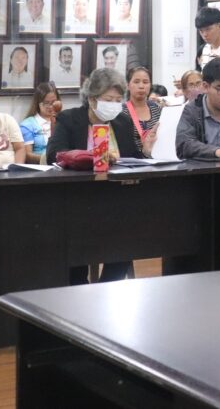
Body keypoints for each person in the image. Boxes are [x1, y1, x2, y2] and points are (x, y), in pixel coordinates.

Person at [46, 68, 152, 284]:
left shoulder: (122, 122)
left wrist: (146, 152)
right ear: (92, 99)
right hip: (78, 198)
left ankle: (107, 287)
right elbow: (53, 155)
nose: (114, 105)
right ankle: (79, 288)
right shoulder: (69, 119)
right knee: (76, 240)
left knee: (129, 235)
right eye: (108, 100)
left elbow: (133, 160)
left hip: (116, 198)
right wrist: (92, 157)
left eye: (118, 100)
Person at [20, 82, 60, 163]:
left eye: (54, 102)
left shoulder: (64, 120)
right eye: (46, 103)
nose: (51, 106)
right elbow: (27, 155)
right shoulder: (28, 125)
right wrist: (47, 159)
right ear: (38, 103)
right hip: (41, 165)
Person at [125, 66, 161, 155]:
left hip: (157, 158)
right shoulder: (122, 112)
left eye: (145, 82)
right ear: (128, 85)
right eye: (136, 82)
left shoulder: (157, 109)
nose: (141, 86)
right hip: (131, 160)